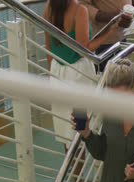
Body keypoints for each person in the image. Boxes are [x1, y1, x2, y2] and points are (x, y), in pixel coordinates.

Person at [43, 0, 117, 148]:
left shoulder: (50, 6)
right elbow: (84, 49)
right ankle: (81, 167)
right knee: (82, 128)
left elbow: (48, 44)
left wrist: (51, 73)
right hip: (78, 74)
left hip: (57, 70)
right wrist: (109, 32)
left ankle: (71, 169)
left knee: (66, 130)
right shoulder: (79, 10)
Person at [81, 0, 134, 71]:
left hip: (122, 39)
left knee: (122, 78)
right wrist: (112, 18)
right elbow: (83, 4)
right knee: (107, 79)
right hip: (102, 44)